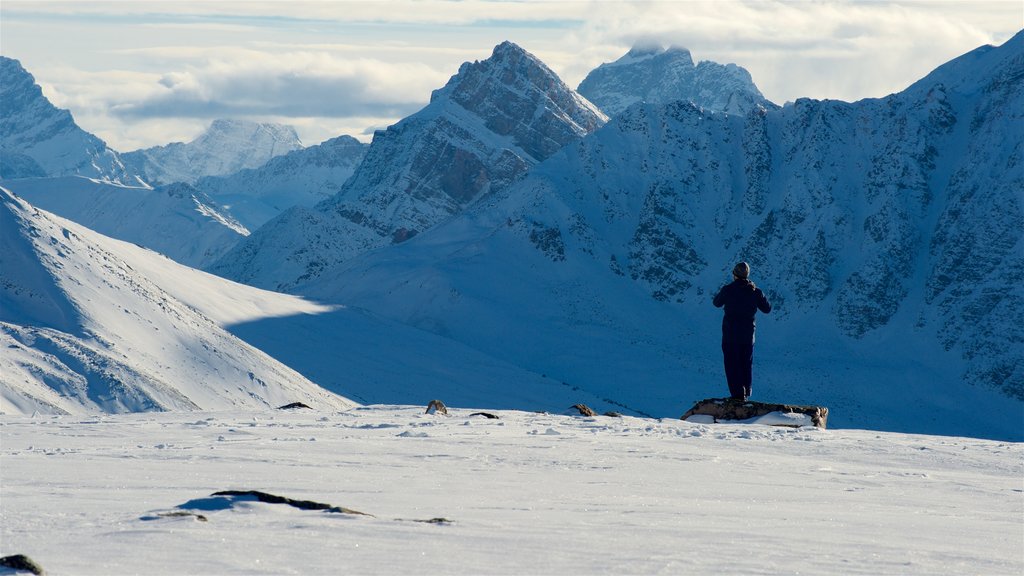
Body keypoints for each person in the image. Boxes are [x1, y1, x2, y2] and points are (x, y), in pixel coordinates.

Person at [712, 262, 771, 401]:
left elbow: (716, 303)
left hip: (730, 334)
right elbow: (767, 308)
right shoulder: (755, 291)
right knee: (746, 362)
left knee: (732, 363)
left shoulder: (728, 290)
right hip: (748, 335)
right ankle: (746, 392)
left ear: (734, 275)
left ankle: (737, 395)